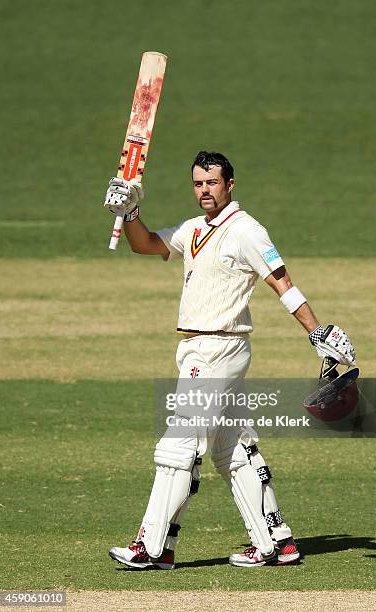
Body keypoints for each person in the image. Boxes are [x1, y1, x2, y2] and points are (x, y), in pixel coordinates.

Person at [104, 151, 355, 569]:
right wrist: (130, 211)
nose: (205, 190)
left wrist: (317, 330)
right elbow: (145, 244)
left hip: (219, 349)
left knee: (179, 444)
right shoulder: (193, 230)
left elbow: (282, 282)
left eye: (212, 183)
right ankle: (277, 541)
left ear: (230, 184)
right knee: (230, 448)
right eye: (199, 183)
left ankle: (152, 546)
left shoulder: (247, 231)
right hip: (199, 349)